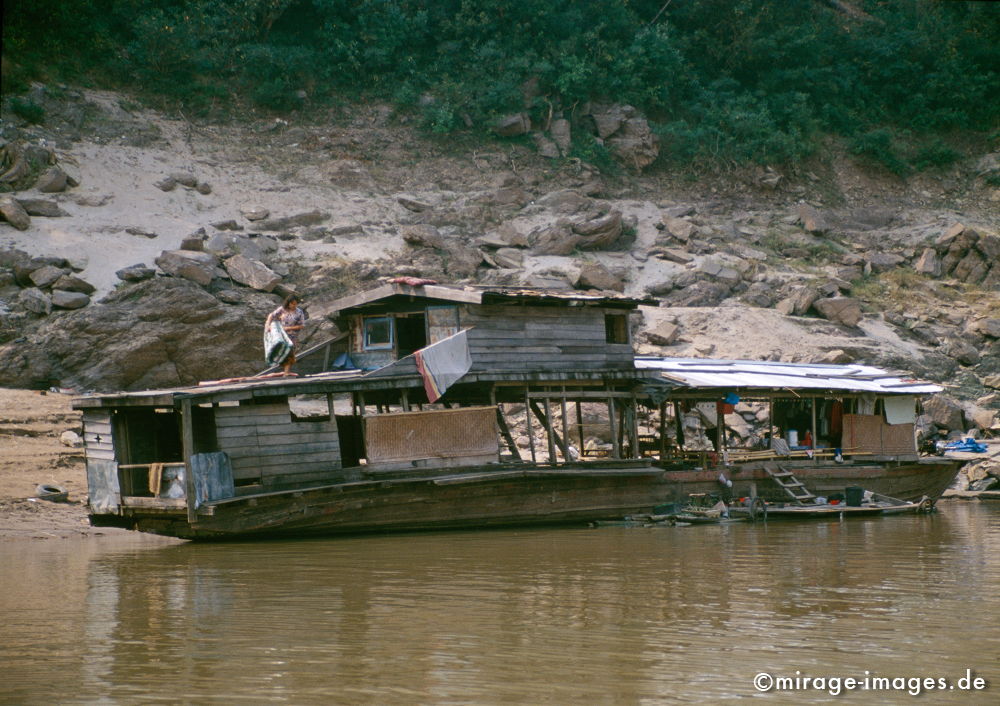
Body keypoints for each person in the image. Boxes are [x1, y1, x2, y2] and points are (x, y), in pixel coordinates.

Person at [265, 294, 306, 374]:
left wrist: (289, 328)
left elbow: (302, 325)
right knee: (279, 351)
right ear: (288, 303)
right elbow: (271, 315)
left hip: (292, 336)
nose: (294, 306)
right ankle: (281, 371)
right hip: (281, 335)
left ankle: (286, 372)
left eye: (296, 304)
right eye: (292, 304)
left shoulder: (299, 312)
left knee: (289, 353)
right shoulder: (282, 309)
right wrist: (268, 324)